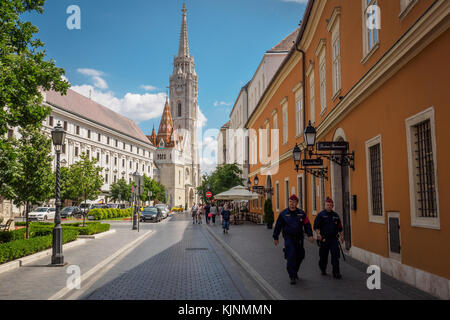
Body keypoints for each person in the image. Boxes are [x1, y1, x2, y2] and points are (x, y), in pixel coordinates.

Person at [273, 194, 314, 285]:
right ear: (289, 202)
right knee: (291, 256)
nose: (292, 204)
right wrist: (275, 237)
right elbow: (278, 226)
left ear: (297, 203)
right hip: (289, 238)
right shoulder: (283, 214)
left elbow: (307, 224)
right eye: (290, 202)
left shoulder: (301, 214)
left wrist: (310, 235)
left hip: (299, 239)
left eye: (294, 202)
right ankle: (292, 276)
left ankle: (294, 271)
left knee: (300, 256)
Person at [313, 197, 344, 279]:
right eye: (328, 205)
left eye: (330, 205)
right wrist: (318, 234)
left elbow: (340, 227)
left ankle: (336, 272)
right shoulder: (321, 215)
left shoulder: (335, 216)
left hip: (333, 239)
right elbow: (316, 226)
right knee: (323, 256)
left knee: (335, 255)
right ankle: (323, 268)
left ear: (332, 205)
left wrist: (342, 236)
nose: (329, 206)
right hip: (324, 239)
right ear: (325, 205)